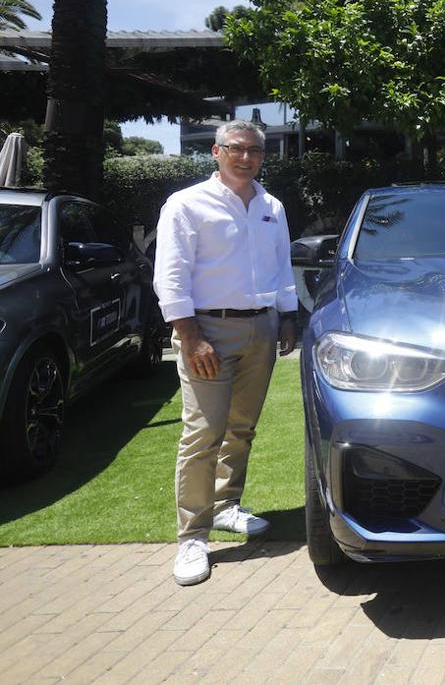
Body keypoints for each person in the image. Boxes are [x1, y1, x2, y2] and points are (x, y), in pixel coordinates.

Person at [154, 120, 298, 586]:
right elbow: (170, 276)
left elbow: (281, 268)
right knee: (203, 433)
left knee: (241, 427)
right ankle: (192, 536)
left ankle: (225, 505)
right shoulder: (186, 204)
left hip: (261, 328)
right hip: (206, 329)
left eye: (255, 150)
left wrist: (288, 316)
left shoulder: (271, 205)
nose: (246, 158)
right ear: (216, 152)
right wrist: (190, 334)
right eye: (236, 149)